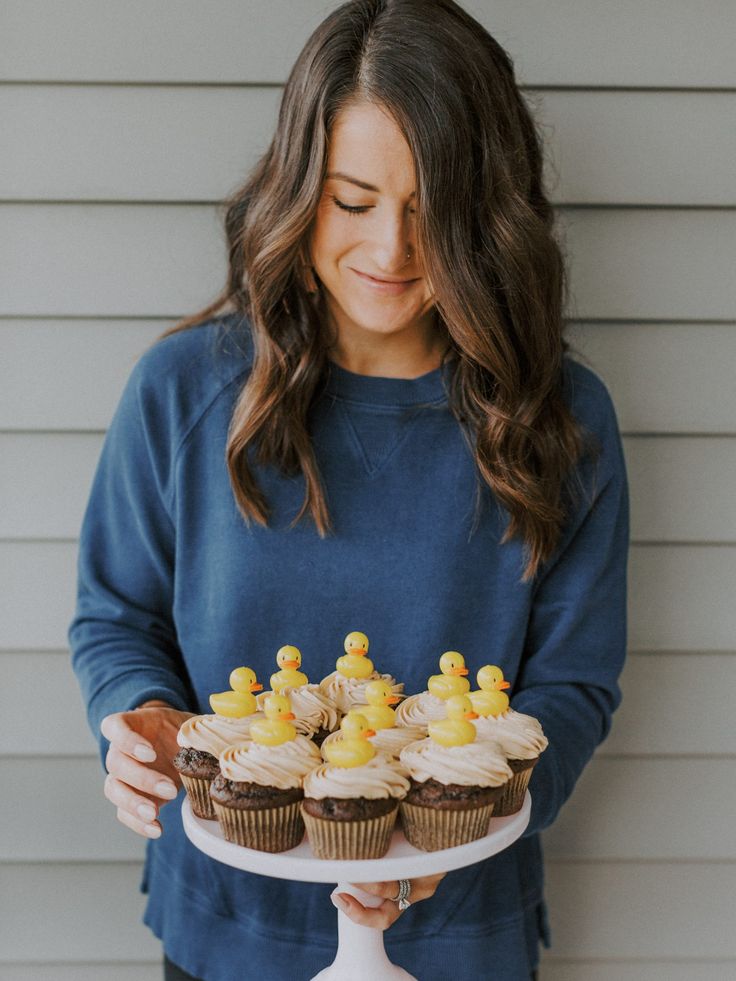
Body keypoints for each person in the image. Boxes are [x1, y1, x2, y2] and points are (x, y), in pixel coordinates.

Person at [69, 2, 628, 979]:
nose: (393, 249)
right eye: (353, 199)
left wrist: (454, 836)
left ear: (488, 209)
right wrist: (141, 715)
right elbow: (114, 615)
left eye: (432, 207)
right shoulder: (186, 391)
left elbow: (572, 684)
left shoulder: (561, 418)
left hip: (459, 935)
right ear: (298, 189)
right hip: (225, 927)